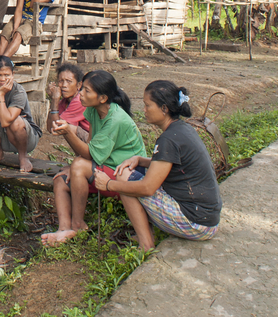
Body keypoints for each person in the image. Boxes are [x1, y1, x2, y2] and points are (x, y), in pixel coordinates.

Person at [92, 80, 222, 250]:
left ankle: (145, 245)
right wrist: (141, 159)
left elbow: (147, 188)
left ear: (164, 109)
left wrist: (108, 184)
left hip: (195, 224)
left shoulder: (168, 140)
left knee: (124, 176)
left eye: (148, 105)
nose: (144, 110)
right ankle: (147, 234)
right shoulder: (182, 129)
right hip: (207, 219)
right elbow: (172, 164)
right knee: (130, 174)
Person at [44, 70, 145, 246]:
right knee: (61, 179)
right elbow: (91, 144)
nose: (81, 94)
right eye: (82, 88)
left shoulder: (115, 119)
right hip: (106, 166)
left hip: (127, 175)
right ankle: (64, 229)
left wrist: (68, 132)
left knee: (78, 165)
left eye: (87, 90)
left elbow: (89, 154)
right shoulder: (92, 110)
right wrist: (74, 168)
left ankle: (77, 225)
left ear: (103, 98)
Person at [0, 55, 43, 173]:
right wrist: (3, 117)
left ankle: (23, 156)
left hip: (27, 139)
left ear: (13, 75)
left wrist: (1, 95)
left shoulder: (18, 91)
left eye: (7, 75)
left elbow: (7, 121)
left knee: (15, 122)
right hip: (4, 134)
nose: (3, 79)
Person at [45, 62, 90, 142]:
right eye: (61, 81)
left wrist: (55, 100)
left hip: (96, 138)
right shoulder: (65, 101)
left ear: (79, 85)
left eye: (69, 81)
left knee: (67, 128)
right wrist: (53, 100)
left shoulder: (79, 100)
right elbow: (50, 128)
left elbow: (56, 127)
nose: (64, 85)